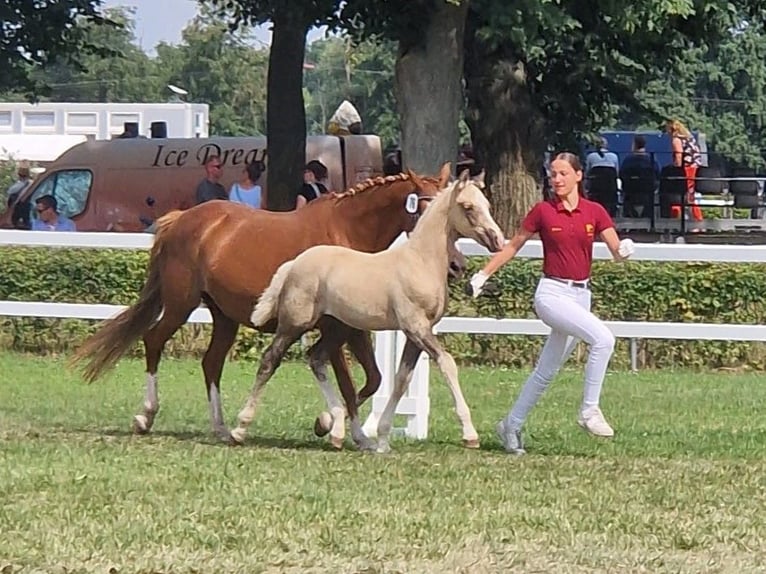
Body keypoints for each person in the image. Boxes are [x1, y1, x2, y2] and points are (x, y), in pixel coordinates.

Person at [466, 152, 635, 455]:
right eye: (553, 174)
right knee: (604, 339)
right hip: (552, 295)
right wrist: (482, 274)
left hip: (581, 295)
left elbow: (615, 249)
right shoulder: (543, 211)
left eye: (562, 174)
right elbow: (513, 246)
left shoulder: (594, 212)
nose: (556, 179)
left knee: (546, 371)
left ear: (578, 176)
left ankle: (511, 425)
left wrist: (624, 250)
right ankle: (589, 410)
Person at [665, 118, 703, 221]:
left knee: (681, 195)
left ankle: (691, 220)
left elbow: (678, 155)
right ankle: (697, 219)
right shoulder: (689, 138)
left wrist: (676, 170)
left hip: (687, 169)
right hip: (695, 167)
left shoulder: (676, 140)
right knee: (690, 196)